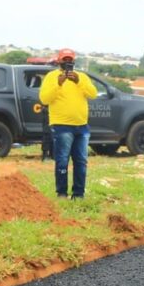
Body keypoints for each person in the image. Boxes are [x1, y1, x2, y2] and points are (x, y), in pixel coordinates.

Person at [39, 48, 96, 199]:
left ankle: (78, 194)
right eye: (65, 59)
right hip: (61, 125)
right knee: (62, 161)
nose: (67, 62)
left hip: (82, 126)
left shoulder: (82, 77)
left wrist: (78, 82)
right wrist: (58, 84)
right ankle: (62, 193)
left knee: (81, 161)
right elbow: (44, 99)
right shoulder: (51, 77)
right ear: (59, 61)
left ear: (74, 61)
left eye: (70, 59)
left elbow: (93, 94)